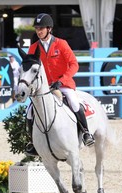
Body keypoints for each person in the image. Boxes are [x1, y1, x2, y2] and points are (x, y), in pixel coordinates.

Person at [25, 13, 95, 156]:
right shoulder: (33, 48)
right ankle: (32, 142)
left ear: (49, 29)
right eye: (37, 28)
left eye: (41, 28)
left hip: (64, 84)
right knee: (30, 110)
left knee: (74, 103)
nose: (39, 31)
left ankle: (86, 133)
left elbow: (74, 64)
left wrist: (62, 80)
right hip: (45, 87)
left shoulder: (61, 44)